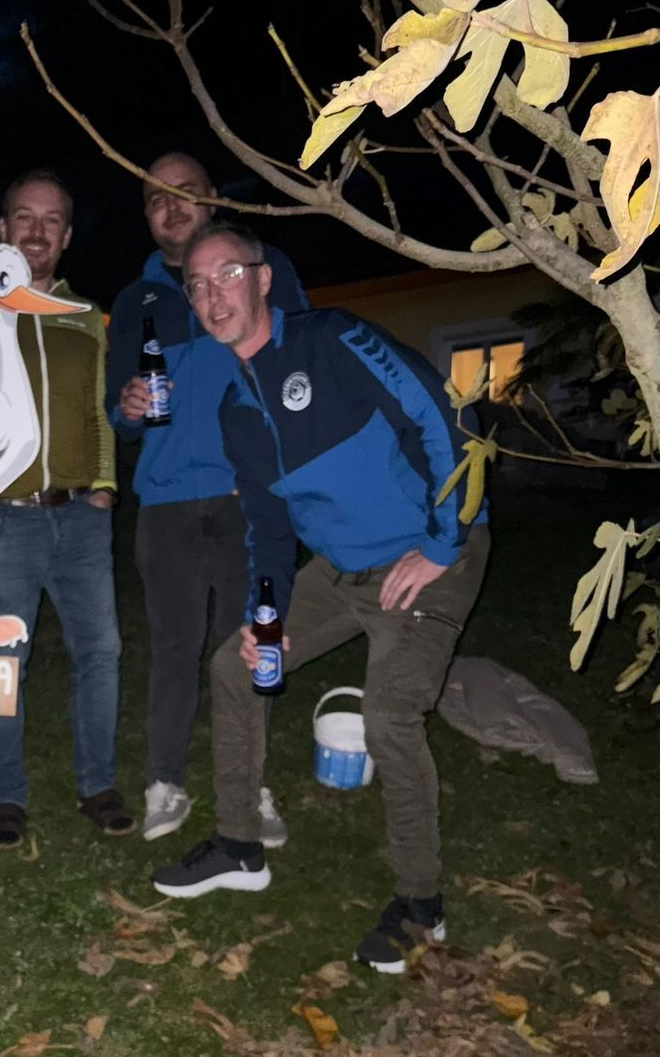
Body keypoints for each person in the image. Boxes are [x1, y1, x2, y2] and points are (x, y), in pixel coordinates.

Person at [151, 223, 489, 976]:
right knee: (236, 667)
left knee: (388, 713)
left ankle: (421, 904)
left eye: (227, 275)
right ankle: (240, 845)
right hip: (343, 571)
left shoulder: (334, 340)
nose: (213, 296)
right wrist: (265, 621)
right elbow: (268, 531)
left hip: (434, 557)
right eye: (197, 286)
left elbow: (447, 424)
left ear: (263, 279)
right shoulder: (236, 412)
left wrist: (441, 541)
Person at [0, 169, 130, 850]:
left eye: (52, 221)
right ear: (1, 230)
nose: (36, 231)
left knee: (102, 652)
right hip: (1, 516)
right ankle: (7, 795)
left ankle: (97, 784)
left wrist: (102, 489)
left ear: (65, 237)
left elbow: (97, 413)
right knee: (2, 661)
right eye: (24, 218)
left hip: (80, 518)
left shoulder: (87, 319)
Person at [107, 153, 307, 843]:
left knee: (249, 644)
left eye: (184, 193)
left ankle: (249, 788)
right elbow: (117, 410)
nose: (171, 206)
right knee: (173, 646)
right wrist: (129, 406)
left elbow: (298, 363)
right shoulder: (136, 302)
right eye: (155, 198)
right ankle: (165, 781)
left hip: (246, 494)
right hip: (165, 503)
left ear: (212, 200)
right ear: (146, 216)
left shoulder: (259, 266)